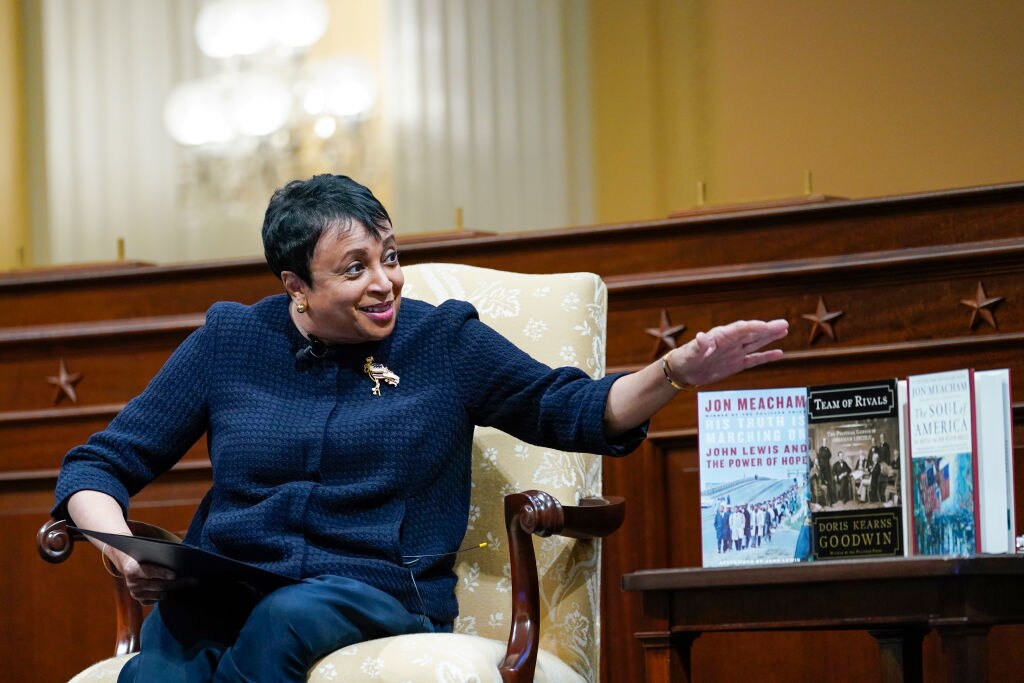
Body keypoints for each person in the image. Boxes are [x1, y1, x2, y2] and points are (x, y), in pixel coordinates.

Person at [52, 174, 788, 682]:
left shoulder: (444, 343)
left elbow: (577, 409)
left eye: (390, 256)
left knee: (283, 620)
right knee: (165, 650)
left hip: (372, 588)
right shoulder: (229, 341)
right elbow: (98, 464)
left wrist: (676, 371)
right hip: (228, 581)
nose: (387, 281)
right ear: (296, 289)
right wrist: (120, 549)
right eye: (355, 267)